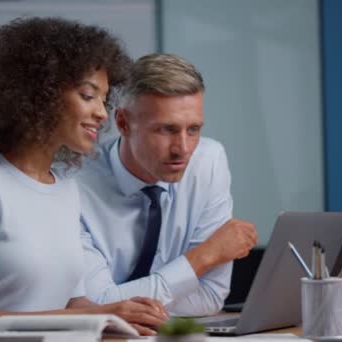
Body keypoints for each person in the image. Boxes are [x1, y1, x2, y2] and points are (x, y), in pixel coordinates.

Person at [0, 17, 167, 334]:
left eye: (104, 98)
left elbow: (73, 304)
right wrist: (96, 317)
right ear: (39, 94)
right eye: (88, 95)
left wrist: (118, 315)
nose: (102, 112)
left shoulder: (66, 189)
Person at [76, 53, 259, 316]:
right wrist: (204, 257)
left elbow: (210, 296)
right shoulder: (73, 185)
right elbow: (98, 305)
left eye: (193, 129)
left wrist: (127, 300)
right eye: (166, 130)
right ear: (124, 123)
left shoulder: (208, 162)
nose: (183, 149)